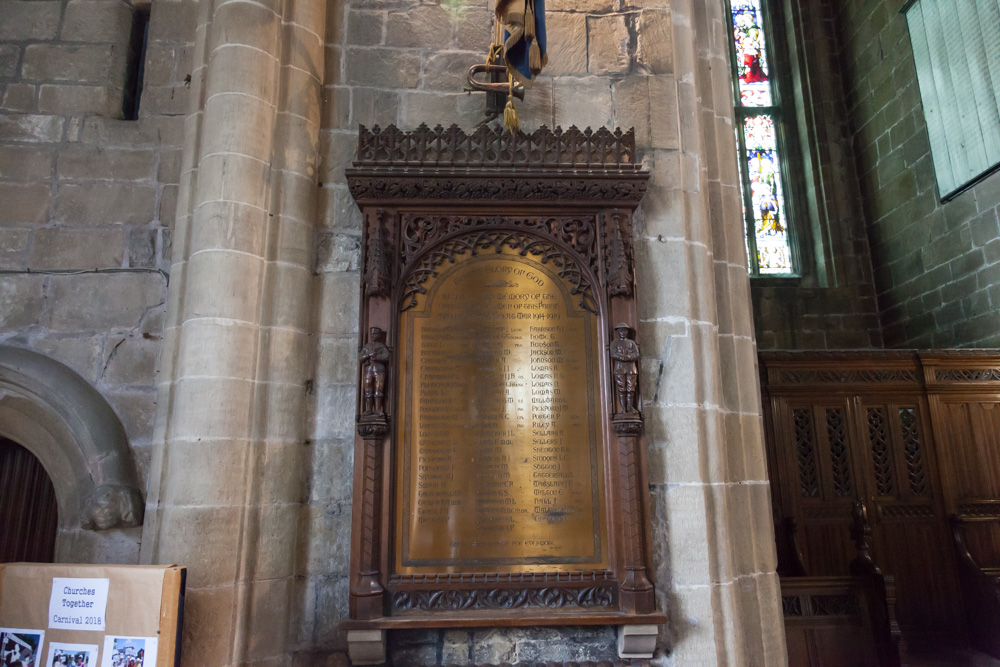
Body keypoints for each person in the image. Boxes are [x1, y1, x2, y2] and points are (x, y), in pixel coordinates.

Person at [610, 323, 640, 414]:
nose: (623, 332)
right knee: (621, 387)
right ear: (618, 332)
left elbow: (636, 354)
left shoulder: (632, 343)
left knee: (631, 388)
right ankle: (623, 408)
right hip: (620, 368)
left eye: (625, 330)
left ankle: (630, 407)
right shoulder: (615, 343)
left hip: (631, 369)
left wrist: (629, 357)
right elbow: (613, 353)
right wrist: (623, 357)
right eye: (621, 330)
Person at [360, 327, 389, 416]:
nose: (373, 336)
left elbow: (386, 356)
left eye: (375, 334)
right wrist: (368, 355)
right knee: (368, 390)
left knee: (378, 390)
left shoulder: (381, 346)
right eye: (371, 334)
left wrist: (376, 357)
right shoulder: (367, 347)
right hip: (369, 370)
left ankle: (377, 410)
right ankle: (368, 409)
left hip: (379, 370)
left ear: (379, 335)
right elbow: (361, 358)